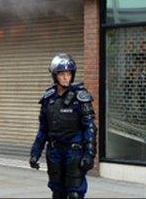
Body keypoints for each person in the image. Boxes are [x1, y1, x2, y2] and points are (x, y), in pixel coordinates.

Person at [29, 53, 97, 199]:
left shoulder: (81, 97)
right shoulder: (48, 98)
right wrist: (35, 152)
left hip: (74, 152)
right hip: (54, 152)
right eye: (62, 74)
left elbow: (90, 128)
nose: (66, 77)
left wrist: (89, 154)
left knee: (74, 194)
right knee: (57, 193)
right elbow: (43, 130)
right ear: (55, 76)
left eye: (69, 73)